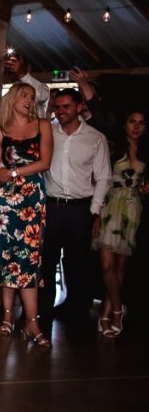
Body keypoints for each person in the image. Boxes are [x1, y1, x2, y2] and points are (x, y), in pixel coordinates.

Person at [37, 89, 111, 334]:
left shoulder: (95, 137)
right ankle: (42, 317)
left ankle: (76, 318)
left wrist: (93, 211)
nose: (61, 111)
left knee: (77, 267)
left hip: (80, 209)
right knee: (45, 264)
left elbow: (103, 177)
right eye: (58, 106)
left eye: (67, 106)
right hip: (51, 206)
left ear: (79, 107)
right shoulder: (47, 133)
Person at [0, 82, 54, 347]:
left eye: (32, 96)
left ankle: (32, 322)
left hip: (32, 200)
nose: (28, 100)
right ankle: (7, 318)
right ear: (12, 99)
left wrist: (14, 173)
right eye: (24, 95)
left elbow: (45, 162)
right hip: (5, 204)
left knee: (29, 261)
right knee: (7, 260)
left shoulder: (43, 126)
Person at [94, 110, 147, 337]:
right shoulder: (111, 146)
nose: (136, 126)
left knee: (120, 266)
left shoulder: (147, 151)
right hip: (109, 206)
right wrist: (96, 213)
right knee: (106, 263)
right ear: (124, 124)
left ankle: (108, 312)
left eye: (141, 123)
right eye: (132, 121)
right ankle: (118, 308)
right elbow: (100, 179)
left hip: (132, 208)